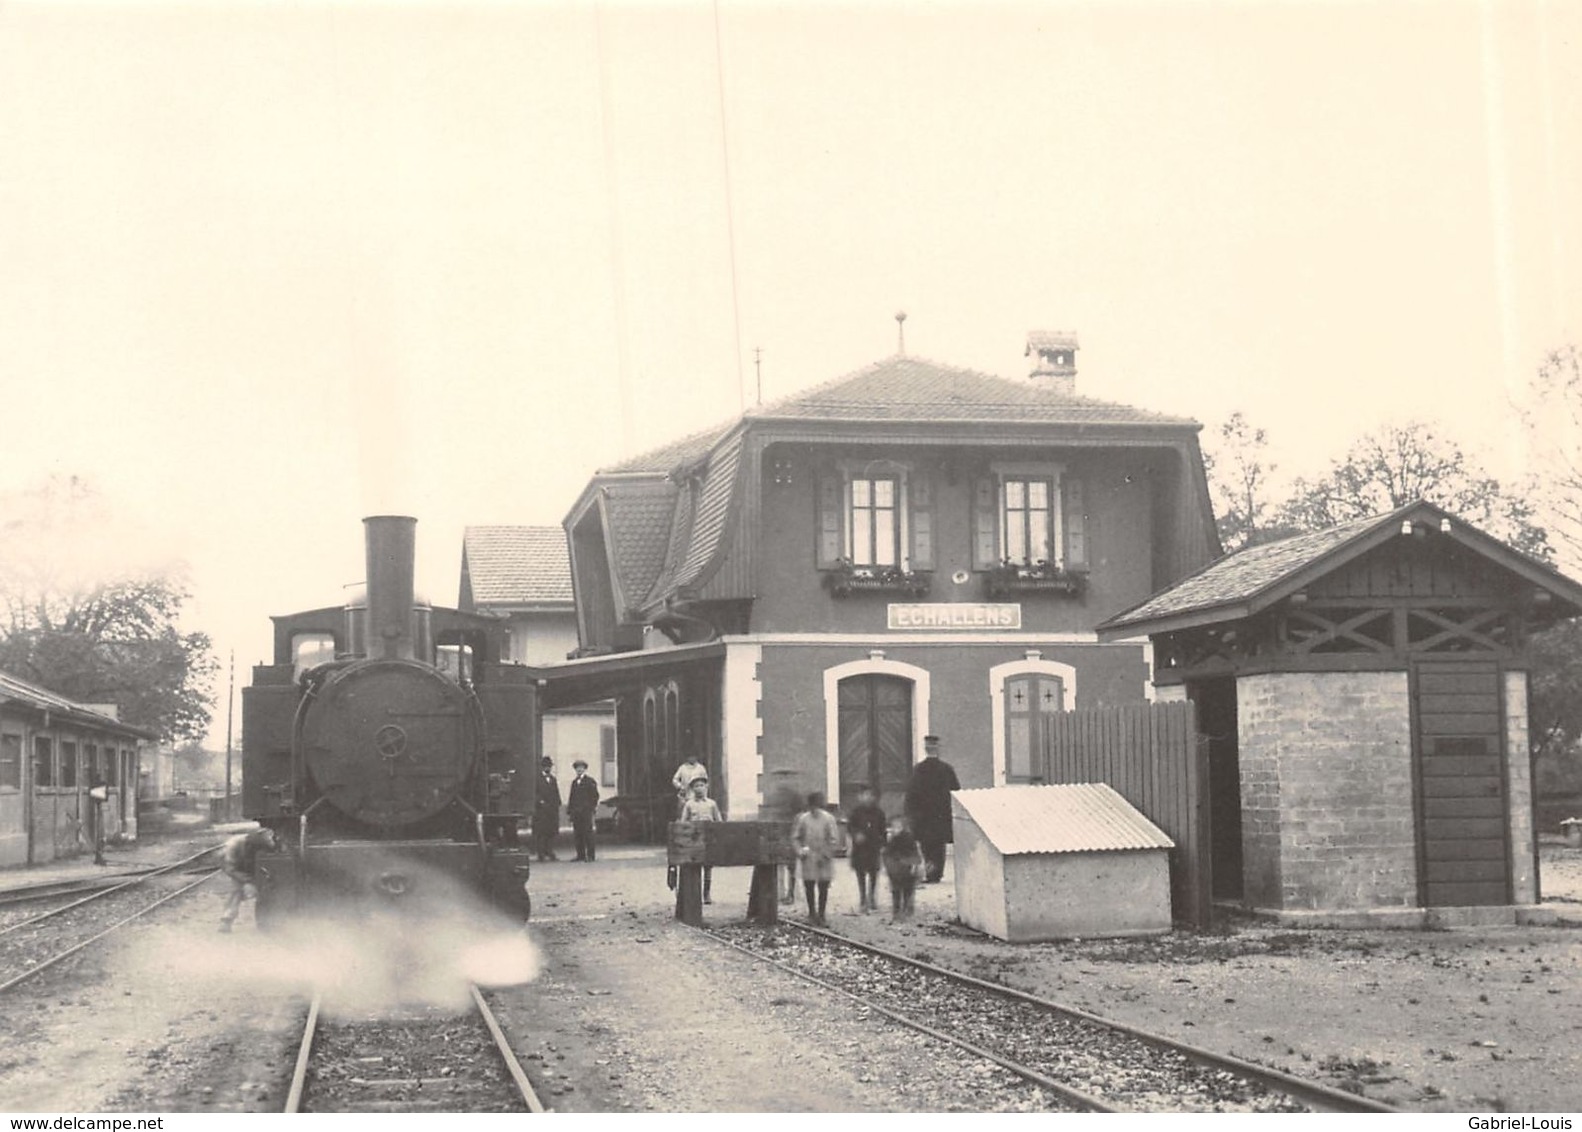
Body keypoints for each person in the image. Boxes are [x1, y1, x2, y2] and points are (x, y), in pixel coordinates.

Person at [904, 734, 960, 883]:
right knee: (939, 846)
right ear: (938, 749)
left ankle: (931, 873)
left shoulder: (918, 770)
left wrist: (911, 814)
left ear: (926, 749)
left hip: (924, 816)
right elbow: (956, 792)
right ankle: (936, 873)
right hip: (941, 815)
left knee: (926, 845)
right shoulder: (947, 769)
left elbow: (911, 795)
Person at [791, 791, 842, 926]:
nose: (814, 809)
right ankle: (811, 913)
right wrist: (800, 851)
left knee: (823, 886)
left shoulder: (828, 819)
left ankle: (822, 914)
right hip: (808, 857)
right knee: (809, 885)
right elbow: (796, 837)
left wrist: (826, 854)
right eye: (812, 807)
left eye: (816, 806)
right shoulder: (803, 819)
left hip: (823, 858)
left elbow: (834, 839)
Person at [218, 826, 278, 932]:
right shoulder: (233, 845)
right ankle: (226, 920)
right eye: (254, 847)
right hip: (237, 869)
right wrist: (247, 881)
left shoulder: (266, 843)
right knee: (237, 891)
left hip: (256, 869)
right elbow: (230, 868)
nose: (256, 850)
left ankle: (267, 920)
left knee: (268, 889)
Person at [677, 776, 723, 903]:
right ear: (692, 789)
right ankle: (693, 896)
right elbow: (683, 822)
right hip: (694, 839)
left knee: (708, 868)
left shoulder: (711, 804)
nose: (699, 788)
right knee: (693, 867)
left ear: (706, 787)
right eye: (696, 786)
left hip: (708, 840)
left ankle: (706, 894)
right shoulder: (689, 804)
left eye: (701, 785)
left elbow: (719, 822)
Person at [845, 785, 888, 913]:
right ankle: (863, 898)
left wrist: (883, 845)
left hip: (873, 846)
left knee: (874, 872)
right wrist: (855, 835)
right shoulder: (856, 812)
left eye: (870, 795)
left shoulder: (879, 812)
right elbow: (850, 827)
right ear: (860, 797)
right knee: (860, 873)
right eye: (865, 795)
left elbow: (883, 830)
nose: (868, 798)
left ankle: (872, 897)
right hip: (860, 848)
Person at [882, 819, 924, 921]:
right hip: (901, 870)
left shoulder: (903, 839)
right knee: (903, 891)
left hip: (903, 869)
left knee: (902, 891)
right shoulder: (895, 840)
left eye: (897, 827)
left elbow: (887, 854)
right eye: (893, 827)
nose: (894, 830)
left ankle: (901, 911)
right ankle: (902, 911)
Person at [567, 758, 600, 862]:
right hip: (576, 813)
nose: (579, 770)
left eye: (581, 768)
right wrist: (570, 811)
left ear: (585, 769)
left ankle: (591, 856)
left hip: (586, 812)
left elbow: (595, 796)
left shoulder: (590, 781)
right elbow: (571, 797)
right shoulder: (574, 782)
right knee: (578, 834)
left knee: (588, 834)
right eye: (577, 768)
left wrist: (591, 807)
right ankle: (580, 855)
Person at [534, 756, 562, 862]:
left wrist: (557, 804)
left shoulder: (553, 779)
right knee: (541, 833)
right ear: (542, 767)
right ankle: (541, 854)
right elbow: (535, 793)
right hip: (541, 811)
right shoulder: (537, 779)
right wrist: (540, 801)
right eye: (545, 766)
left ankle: (550, 851)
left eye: (549, 766)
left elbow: (556, 793)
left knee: (551, 832)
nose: (547, 768)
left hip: (552, 810)